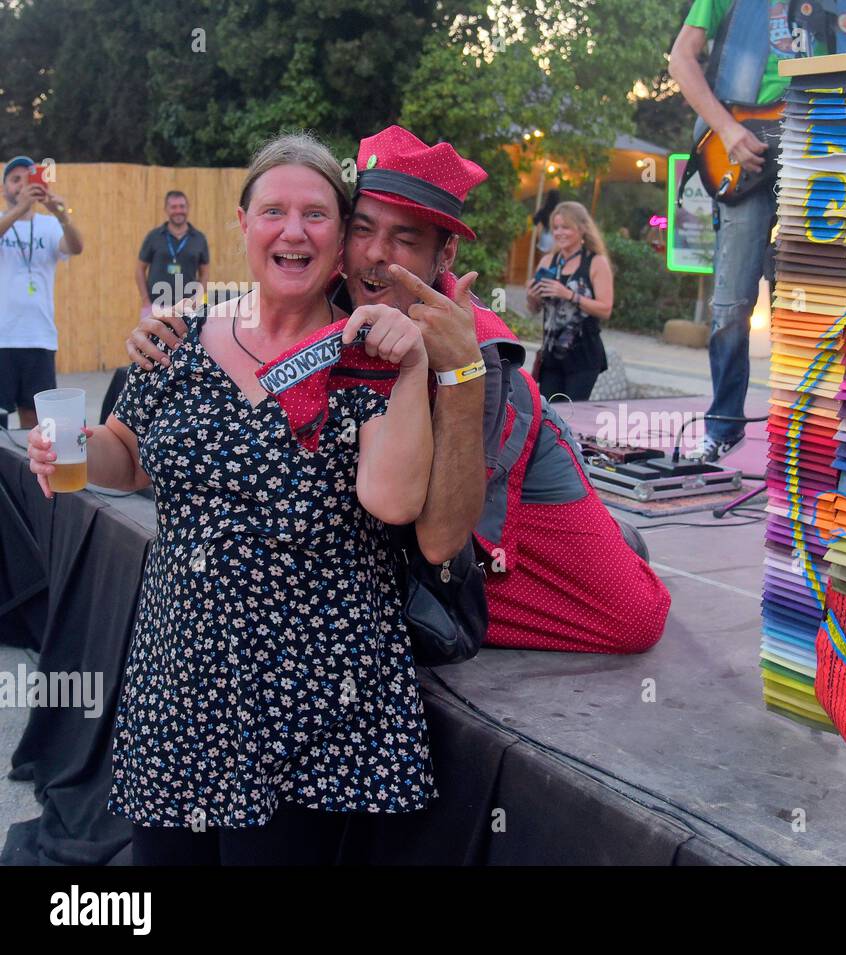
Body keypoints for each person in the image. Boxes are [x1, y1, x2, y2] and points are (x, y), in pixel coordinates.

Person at [27, 132, 447, 865]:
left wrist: (413, 366)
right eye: (274, 211)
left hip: (308, 696)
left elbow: (393, 501)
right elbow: (126, 457)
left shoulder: (367, 353)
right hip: (177, 677)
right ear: (244, 225)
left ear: (341, 240)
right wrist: (63, 449)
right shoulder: (181, 335)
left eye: (316, 215)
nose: (293, 230)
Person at [127, 126, 669, 656]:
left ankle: (615, 539)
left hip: (516, 478)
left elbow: (440, 540)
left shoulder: (473, 346)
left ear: (446, 255)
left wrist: (459, 376)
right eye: (362, 230)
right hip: (403, 499)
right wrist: (182, 323)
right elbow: (263, 303)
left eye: (406, 239)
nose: (375, 255)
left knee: (634, 616)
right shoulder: (337, 290)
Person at [669, 0, 846, 461]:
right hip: (743, 148)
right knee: (731, 302)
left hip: (820, 152)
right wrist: (726, 129)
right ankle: (724, 424)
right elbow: (680, 59)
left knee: (812, 299)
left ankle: (809, 430)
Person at [0, 156, 85, 428]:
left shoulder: (49, 225)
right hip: (3, 338)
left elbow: (76, 246)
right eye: (16, 180)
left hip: (39, 337)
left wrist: (61, 213)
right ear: (4, 190)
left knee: (35, 420)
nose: (23, 185)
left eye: (29, 179)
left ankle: (28, 471)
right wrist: (20, 208)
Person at [526, 200, 613, 402]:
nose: (559, 233)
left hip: (583, 357)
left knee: (572, 417)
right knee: (549, 417)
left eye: (566, 227)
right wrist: (533, 296)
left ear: (581, 229)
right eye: (556, 228)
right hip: (551, 357)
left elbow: (606, 309)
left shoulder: (595, 262)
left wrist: (569, 295)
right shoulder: (549, 261)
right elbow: (534, 308)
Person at [136, 190, 210, 319]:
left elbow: (205, 273)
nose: (178, 211)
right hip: (156, 307)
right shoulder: (154, 237)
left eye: (182, 206)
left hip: (186, 308)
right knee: (151, 340)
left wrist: (196, 300)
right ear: (166, 209)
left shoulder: (199, 238)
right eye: (173, 207)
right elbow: (139, 270)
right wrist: (146, 301)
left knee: (186, 340)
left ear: (188, 208)